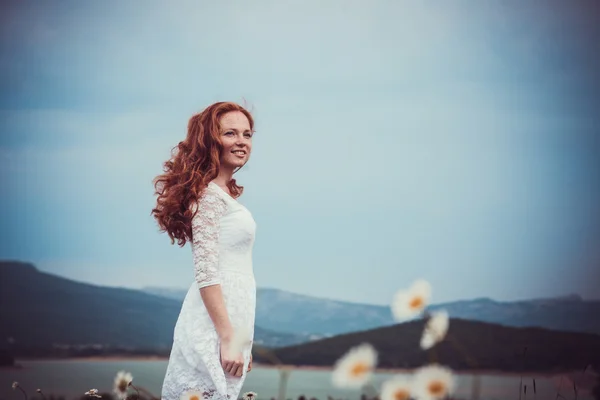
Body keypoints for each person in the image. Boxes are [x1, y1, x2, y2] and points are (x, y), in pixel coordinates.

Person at [151, 101, 258, 400]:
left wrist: (241, 339)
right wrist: (228, 338)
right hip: (214, 327)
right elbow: (207, 271)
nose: (241, 142)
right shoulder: (209, 197)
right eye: (230, 133)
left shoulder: (223, 195)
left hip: (229, 324)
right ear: (211, 140)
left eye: (247, 135)